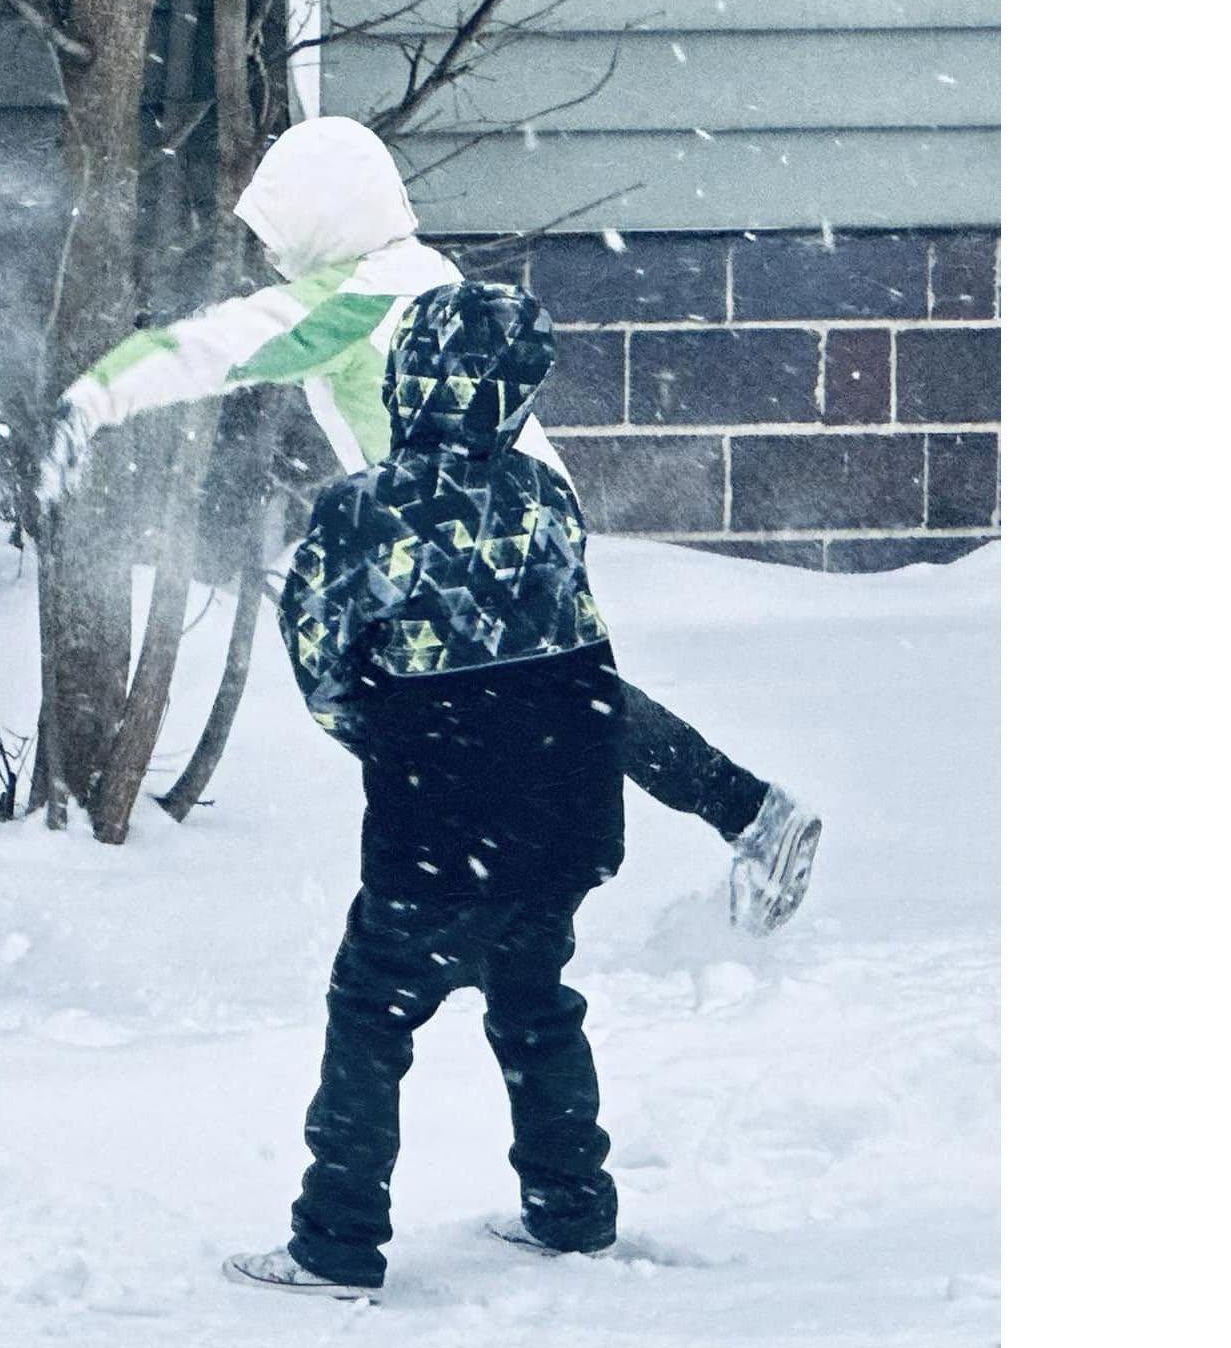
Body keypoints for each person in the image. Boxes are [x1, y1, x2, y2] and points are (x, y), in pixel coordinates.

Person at [40, 117, 820, 933]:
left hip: (454, 546)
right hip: (532, 517)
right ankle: (744, 815)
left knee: (449, 702)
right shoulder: (428, 274)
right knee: (561, 697)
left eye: (282, 230)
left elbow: (219, 346)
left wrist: (95, 398)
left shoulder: (349, 302)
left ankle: (475, 904)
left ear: (330, 217)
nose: (271, 254)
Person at [224, 279, 627, 1297]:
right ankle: (568, 1206)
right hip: (559, 813)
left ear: (408, 376)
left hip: (439, 823)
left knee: (370, 1013)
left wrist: (404, 741)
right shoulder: (543, 494)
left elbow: (321, 666)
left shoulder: (362, 510)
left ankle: (336, 1238)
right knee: (535, 1004)